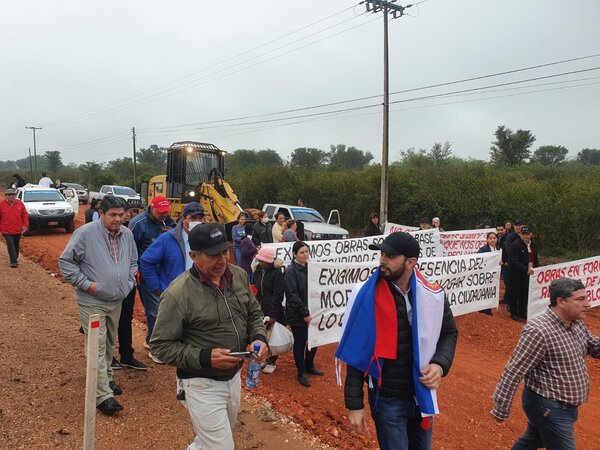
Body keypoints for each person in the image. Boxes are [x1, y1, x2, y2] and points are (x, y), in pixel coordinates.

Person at [149, 223, 268, 450]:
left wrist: (259, 336)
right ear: (193, 255)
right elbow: (160, 346)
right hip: (200, 383)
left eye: (224, 251)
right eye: (213, 255)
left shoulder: (239, 276)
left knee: (211, 441)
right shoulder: (178, 293)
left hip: (233, 377)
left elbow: (253, 312)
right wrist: (205, 357)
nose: (222, 260)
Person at [337, 232, 458, 450]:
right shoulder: (366, 296)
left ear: (411, 262)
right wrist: (354, 404)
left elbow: (449, 331)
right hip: (388, 399)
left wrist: (440, 364)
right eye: (382, 254)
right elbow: (357, 351)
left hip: (421, 395)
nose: (383, 260)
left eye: (391, 256)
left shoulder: (433, 295)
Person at [492, 278, 600, 449]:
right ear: (561, 302)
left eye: (586, 298)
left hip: (564, 406)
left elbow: (594, 347)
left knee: (533, 440)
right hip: (549, 407)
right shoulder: (539, 330)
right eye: (580, 299)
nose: (588, 303)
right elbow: (514, 370)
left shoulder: (576, 323)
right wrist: (501, 408)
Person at [59, 195, 137, 415]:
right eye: (113, 215)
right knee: (97, 345)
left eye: (122, 215)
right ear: (101, 214)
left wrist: (129, 282)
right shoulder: (85, 233)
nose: (118, 219)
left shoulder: (127, 235)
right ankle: (102, 395)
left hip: (116, 300)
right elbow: (66, 262)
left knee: (110, 343)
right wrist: (88, 285)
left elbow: (132, 261)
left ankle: (107, 380)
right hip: (92, 301)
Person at [128, 196, 175, 360]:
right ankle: (155, 346)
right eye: (160, 212)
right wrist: (134, 272)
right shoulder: (138, 224)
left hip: (166, 272)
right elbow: (128, 248)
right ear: (151, 208)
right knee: (154, 310)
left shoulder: (168, 221)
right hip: (146, 272)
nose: (164, 215)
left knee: (166, 307)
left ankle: (155, 339)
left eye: (166, 212)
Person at [284, 240, 322, 387]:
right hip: (297, 314)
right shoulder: (290, 272)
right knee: (300, 343)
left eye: (306, 251)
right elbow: (292, 296)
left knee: (314, 340)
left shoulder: (310, 268)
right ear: (294, 254)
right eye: (302, 252)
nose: (305, 254)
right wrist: (305, 313)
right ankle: (301, 372)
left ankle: (309, 365)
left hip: (312, 311)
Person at [252, 247, 285, 374]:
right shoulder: (258, 271)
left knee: (272, 336)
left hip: (272, 308)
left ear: (268, 261)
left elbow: (278, 295)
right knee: (262, 334)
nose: (259, 262)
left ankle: (272, 360)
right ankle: (263, 358)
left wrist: (272, 314)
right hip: (260, 307)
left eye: (261, 260)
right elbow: (255, 289)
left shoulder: (277, 273)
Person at [507, 226, 539, 321]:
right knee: (515, 293)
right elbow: (514, 261)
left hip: (529, 274)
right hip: (516, 274)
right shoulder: (515, 245)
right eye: (523, 234)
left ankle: (522, 312)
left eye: (527, 234)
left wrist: (536, 269)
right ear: (520, 235)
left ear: (531, 234)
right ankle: (514, 313)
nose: (525, 236)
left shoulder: (533, 245)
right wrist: (525, 269)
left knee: (525, 294)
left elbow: (535, 258)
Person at [0, 188, 29, 268]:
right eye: (9, 195)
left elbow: (25, 215)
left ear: (15, 196)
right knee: (10, 244)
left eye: (13, 195)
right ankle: (13, 261)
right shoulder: (1, 204)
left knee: (16, 244)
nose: (11, 196)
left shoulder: (20, 203)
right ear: (6, 196)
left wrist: (25, 226)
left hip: (17, 229)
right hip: (6, 230)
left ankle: (14, 258)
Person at [477, 232, 499, 316]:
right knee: (485, 291)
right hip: (485, 274)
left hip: (494, 275)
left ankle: (488, 308)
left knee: (491, 291)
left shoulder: (498, 249)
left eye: (494, 238)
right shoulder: (483, 249)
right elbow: (477, 259)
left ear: (496, 239)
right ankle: (484, 310)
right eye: (490, 238)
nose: (492, 240)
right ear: (487, 240)